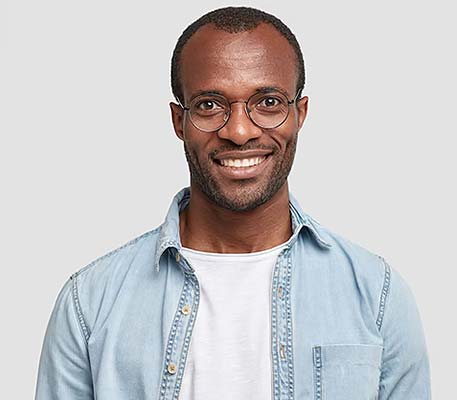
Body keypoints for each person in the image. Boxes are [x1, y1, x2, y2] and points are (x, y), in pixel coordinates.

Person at [35, 6, 431, 400]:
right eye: (209, 105)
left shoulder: (377, 295)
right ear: (178, 121)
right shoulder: (89, 304)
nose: (239, 132)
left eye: (268, 102)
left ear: (300, 114)